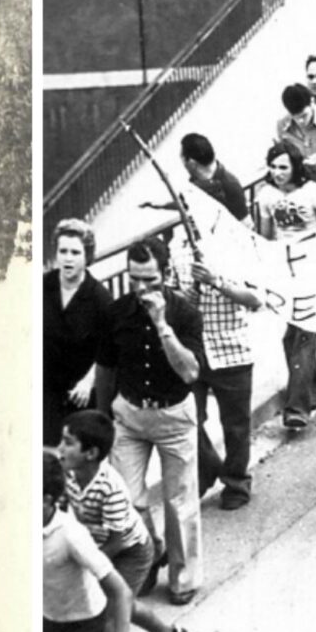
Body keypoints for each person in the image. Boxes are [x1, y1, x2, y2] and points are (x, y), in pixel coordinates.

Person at [94, 236, 205, 600]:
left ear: (166, 273)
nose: (141, 289)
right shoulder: (116, 313)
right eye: (134, 279)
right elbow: (106, 368)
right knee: (126, 500)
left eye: (150, 281)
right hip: (129, 415)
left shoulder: (185, 313)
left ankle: (183, 579)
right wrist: (102, 417)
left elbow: (190, 373)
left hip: (173, 414)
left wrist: (162, 325)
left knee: (179, 502)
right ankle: (148, 554)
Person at [56, 411, 189, 632]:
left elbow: (118, 540)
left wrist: (89, 565)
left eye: (68, 442)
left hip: (131, 552)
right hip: (99, 544)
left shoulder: (110, 487)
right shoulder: (68, 472)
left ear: (91, 454)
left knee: (110, 610)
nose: (60, 449)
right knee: (120, 604)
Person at [173, 195, 261, 512]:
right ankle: (208, 465)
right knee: (186, 420)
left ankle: (236, 482)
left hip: (232, 349)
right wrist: (187, 295)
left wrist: (215, 281)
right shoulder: (177, 247)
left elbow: (255, 298)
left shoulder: (236, 247)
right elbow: (174, 294)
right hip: (194, 352)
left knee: (236, 425)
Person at [42, 452, 133, 632]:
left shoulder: (70, 534)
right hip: (52, 625)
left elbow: (121, 591)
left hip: (84, 628)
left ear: (47, 499)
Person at [249, 144, 316, 435]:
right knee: (292, 339)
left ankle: (297, 409)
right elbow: (265, 236)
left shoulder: (314, 193)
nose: (277, 173)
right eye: (273, 167)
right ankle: (315, 388)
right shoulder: (266, 196)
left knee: (304, 337)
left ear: (295, 167)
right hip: (287, 275)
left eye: (283, 167)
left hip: (314, 271)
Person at [44, 221, 115, 446]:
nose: (68, 258)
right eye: (62, 251)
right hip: (47, 390)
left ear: (87, 256)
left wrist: (88, 381)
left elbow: (109, 349)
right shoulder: (43, 286)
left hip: (80, 395)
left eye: (75, 252)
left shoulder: (100, 299)